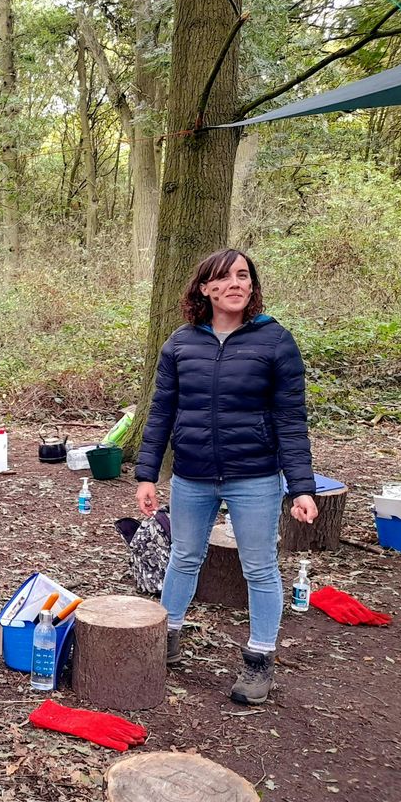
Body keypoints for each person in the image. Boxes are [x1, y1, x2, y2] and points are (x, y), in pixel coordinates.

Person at [134, 248, 318, 706]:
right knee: (184, 556)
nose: (235, 283)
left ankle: (259, 659)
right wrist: (146, 474)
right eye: (223, 278)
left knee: (259, 567)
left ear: (251, 286)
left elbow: (290, 418)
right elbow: (161, 412)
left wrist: (301, 487)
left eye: (243, 276)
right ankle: (167, 635)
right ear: (205, 288)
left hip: (254, 476)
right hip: (192, 474)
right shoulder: (180, 343)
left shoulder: (275, 341)